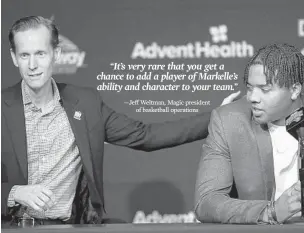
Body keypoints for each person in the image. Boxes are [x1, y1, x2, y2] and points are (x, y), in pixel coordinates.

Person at [1, 16, 240, 226]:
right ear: (14, 57)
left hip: (69, 226)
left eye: (40, 54)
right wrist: (14, 192)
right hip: (11, 227)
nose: (32, 65)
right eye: (24, 55)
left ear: (57, 54)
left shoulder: (85, 103)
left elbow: (147, 135)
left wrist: (217, 116)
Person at [195, 43, 304, 224]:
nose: (253, 98)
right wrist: (270, 212)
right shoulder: (228, 121)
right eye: (249, 88)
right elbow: (207, 202)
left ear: (294, 90)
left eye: (265, 90)